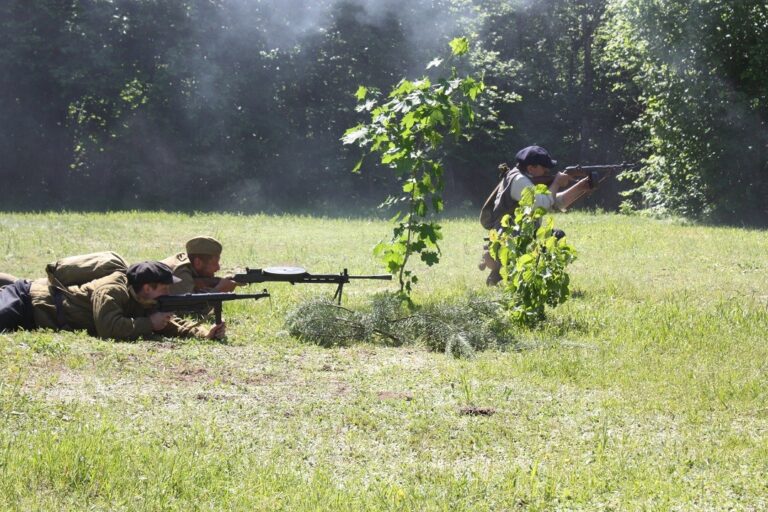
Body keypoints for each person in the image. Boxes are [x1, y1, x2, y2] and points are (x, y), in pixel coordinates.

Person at [0, 261, 226, 341]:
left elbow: (169, 321)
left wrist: (204, 333)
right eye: (164, 287)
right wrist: (150, 324)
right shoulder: (111, 289)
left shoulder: (145, 299)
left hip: (35, 317)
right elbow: (108, 327)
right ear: (147, 288)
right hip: (25, 300)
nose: (168, 292)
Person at [480, 145, 592, 286]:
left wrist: (581, 187)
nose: (547, 170)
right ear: (531, 168)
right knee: (551, 239)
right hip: (511, 241)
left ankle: (509, 273)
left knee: (556, 236)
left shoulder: (523, 178)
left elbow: (555, 202)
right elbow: (542, 204)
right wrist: (557, 182)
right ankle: (506, 271)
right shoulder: (519, 180)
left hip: (517, 238)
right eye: (544, 167)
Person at [161, 236, 240, 295]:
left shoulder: (188, 264)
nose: (218, 268)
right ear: (198, 262)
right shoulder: (180, 272)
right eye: (214, 263)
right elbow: (192, 309)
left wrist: (216, 283)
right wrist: (219, 290)